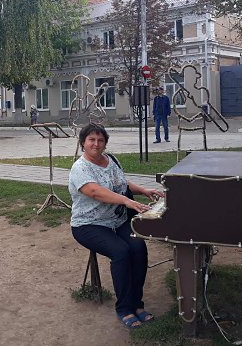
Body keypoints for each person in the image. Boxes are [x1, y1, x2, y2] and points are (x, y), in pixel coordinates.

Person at [68, 124, 165, 330]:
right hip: (89, 225)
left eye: (100, 140)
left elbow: (122, 182)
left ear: (105, 143)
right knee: (121, 252)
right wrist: (126, 201)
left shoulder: (110, 160)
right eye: (91, 140)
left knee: (138, 248)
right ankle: (124, 309)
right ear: (83, 143)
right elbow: (95, 191)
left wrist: (143, 190)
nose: (96, 144)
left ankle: (137, 304)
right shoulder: (80, 168)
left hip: (117, 220)